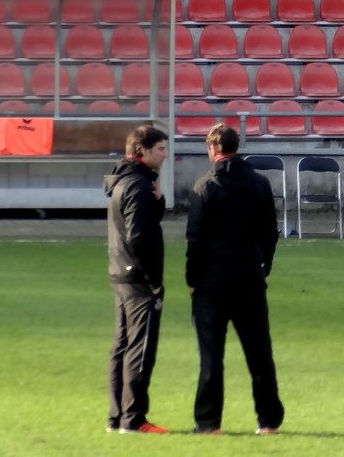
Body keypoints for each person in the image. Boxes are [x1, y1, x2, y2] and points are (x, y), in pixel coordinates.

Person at [184, 124, 284, 437]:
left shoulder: (204, 186)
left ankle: (209, 422)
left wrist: (192, 277)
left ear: (212, 148)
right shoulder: (259, 183)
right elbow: (270, 231)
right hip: (249, 277)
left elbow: (196, 239)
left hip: (213, 281)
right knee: (259, 353)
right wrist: (263, 266)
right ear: (236, 147)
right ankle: (268, 421)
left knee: (212, 355)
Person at [104, 124, 169, 435]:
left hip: (120, 272)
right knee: (140, 349)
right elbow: (139, 237)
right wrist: (153, 279)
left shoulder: (123, 181)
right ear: (142, 151)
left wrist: (157, 203)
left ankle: (117, 418)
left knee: (121, 345)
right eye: (160, 149)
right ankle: (134, 419)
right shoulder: (138, 186)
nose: (165, 155)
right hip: (138, 278)